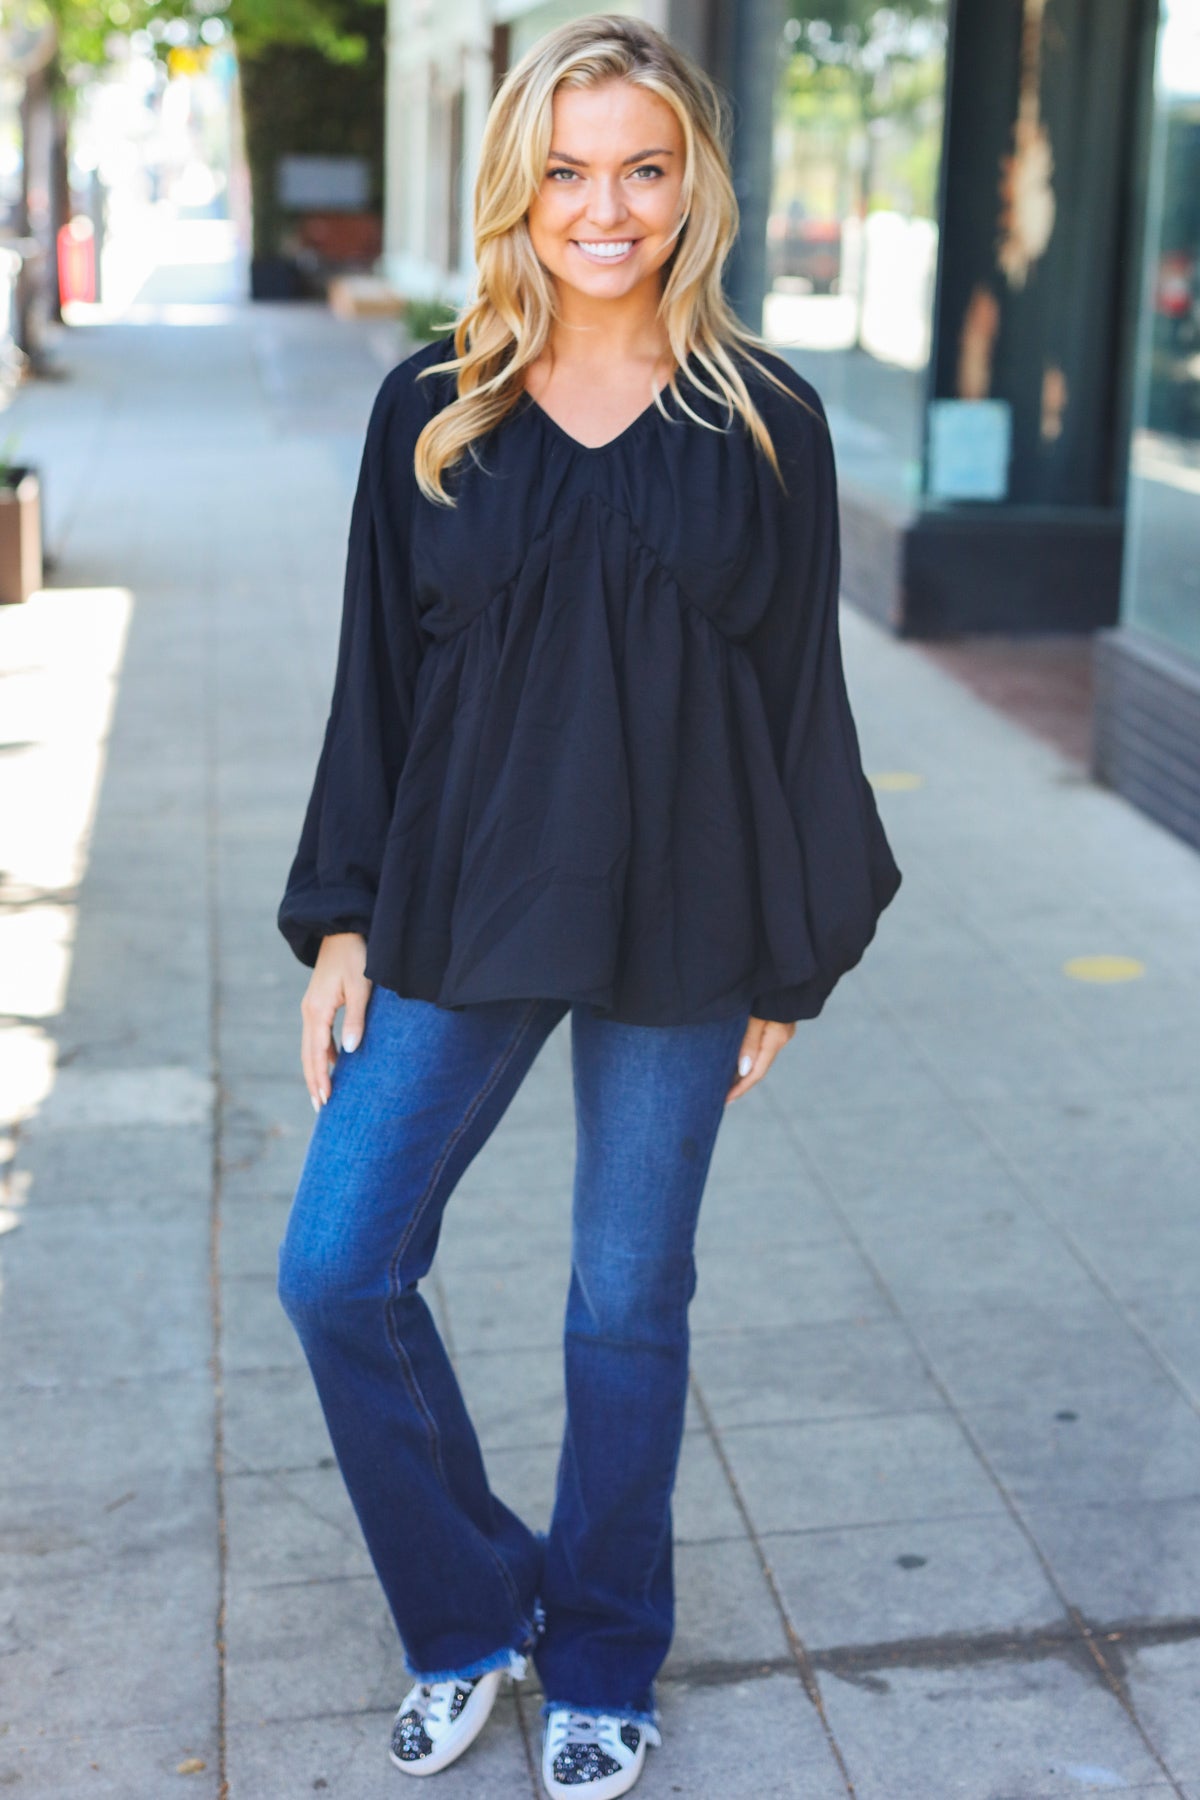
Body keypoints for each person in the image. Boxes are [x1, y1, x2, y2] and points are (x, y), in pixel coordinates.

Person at [275, 13, 901, 1797]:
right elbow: (375, 681)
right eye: (566, 171)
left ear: (694, 184)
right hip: (463, 893)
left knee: (627, 1298)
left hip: (691, 911)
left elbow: (797, 703)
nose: (604, 209)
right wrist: (342, 921)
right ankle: (471, 1611)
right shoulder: (434, 406)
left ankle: (607, 1650)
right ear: (519, 188)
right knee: (336, 1267)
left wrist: (794, 948)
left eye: (642, 169)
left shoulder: (766, 418)